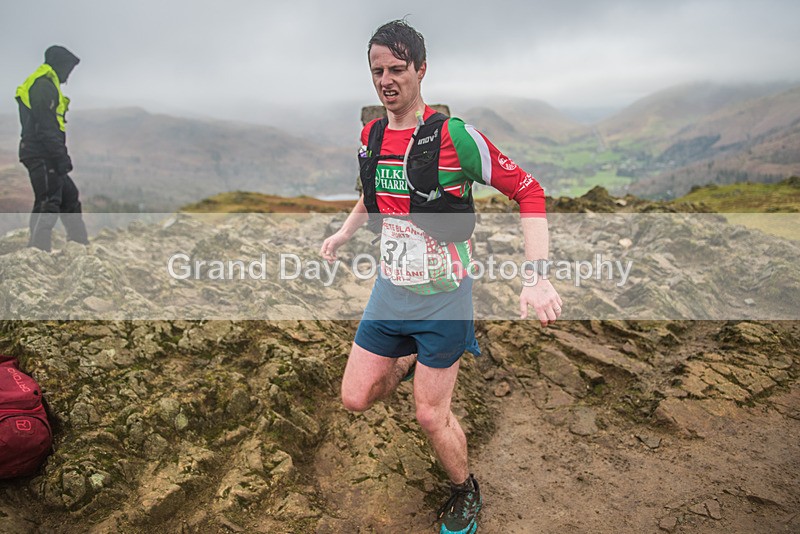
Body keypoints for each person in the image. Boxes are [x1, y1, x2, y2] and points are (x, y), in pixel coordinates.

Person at [320, 19, 562, 534]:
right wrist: (343, 234)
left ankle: (464, 489)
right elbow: (372, 193)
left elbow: (530, 190)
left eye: (398, 69)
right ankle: (408, 357)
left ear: (422, 70)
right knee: (355, 397)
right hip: (389, 292)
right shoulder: (372, 134)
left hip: (444, 299)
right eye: (377, 71)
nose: (387, 80)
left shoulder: (456, 137)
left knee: (430, 417)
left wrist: (536, 275)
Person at [15, 45, 88, 252]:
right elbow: (45, 127)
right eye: (68, 69)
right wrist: (61, 156)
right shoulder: (43, 86)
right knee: (48, 201)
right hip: (41, 154)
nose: (69, 75)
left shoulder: (47, 84)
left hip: (46, 153)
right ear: (60, 66)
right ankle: (37, 252)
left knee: (69, 196)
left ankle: (80, 247)